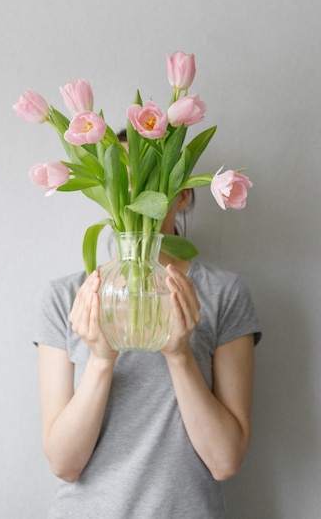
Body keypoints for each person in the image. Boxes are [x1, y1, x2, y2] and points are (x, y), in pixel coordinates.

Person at [35, 180, 261, 518]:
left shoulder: (222, 293)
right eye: (118, 183)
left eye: (147, 182)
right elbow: (65, 464)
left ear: (182, 195)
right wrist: (100, 359)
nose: (132, 197)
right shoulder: (67, 297)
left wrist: (179, 354)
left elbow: (225, 461)